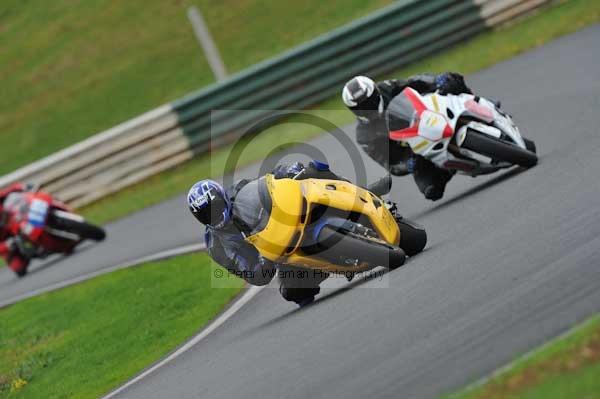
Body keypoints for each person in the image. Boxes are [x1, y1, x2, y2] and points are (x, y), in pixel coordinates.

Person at [187, 161, 407, 306]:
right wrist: (261, 264)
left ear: (222, 197)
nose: (214, 215)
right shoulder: (217, 245)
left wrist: (288, 171)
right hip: (279, 253)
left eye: (214, 207)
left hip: (290, 216)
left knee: (313, 169)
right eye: (206, 215)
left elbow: (269, 182)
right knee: (293, 292)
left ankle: (361, 193)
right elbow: (249, 272)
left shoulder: (238, 191)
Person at [342, 72, 473, 200]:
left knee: (452, 80)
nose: (368, 108)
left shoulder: (387, 87)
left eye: (369, 102)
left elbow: (415, 81)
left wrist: (436, 80)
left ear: (376, 93)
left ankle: (483, 105)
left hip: (430, 114)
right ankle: (450, 166)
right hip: (418, 150)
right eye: (361, 107)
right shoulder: (364, 136)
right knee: (431, 190)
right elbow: (389, 163)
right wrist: (407, 164)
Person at [0, 183, 38, 277]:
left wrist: (23, 186)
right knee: (20, 270)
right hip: (8, 241)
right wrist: (6, 245)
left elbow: (11, 189)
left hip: (16, 221)